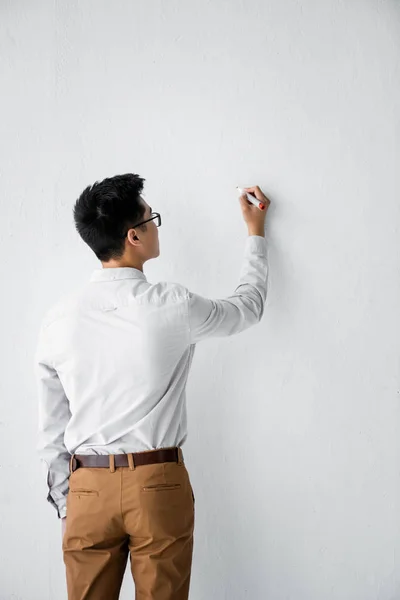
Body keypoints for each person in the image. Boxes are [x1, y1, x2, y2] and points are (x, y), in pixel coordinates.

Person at [34, 173, 271, 600]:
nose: (155, 225)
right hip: (157, 483)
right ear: (134, 237)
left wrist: (69, 503)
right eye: (151, 218)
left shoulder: (57, 320)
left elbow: (51, 426)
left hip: (87, 486)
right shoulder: (171, 305)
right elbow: (247, 308)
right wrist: (255, 234)